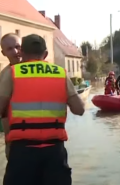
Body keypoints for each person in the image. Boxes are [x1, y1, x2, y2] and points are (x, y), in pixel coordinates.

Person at [0, 34, 85, 185]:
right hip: (54, 152)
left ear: (23, 53)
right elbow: (79, 109)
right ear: (45, 54)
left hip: (22, 151)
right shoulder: (59, 73)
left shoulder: (11, 73)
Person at [0, 33, 22, 160]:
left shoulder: (35, 70)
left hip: (39, 139)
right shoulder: (4, 75)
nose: (15, 51)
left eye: (17, 46)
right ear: (3, 53)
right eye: (10, 49)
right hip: (13, 140)